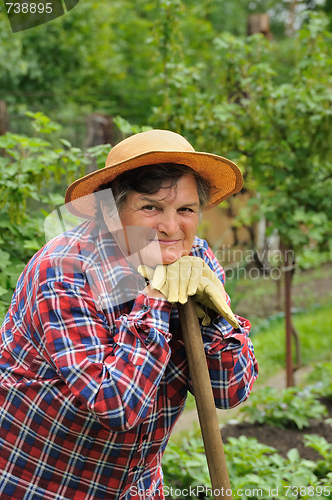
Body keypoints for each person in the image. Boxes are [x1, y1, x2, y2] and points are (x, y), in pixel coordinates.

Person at [0, 129, 258, 500]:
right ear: (111, 212)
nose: (172, 227)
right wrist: (155, 298)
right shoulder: (65, 270)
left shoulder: (192, 259)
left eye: (186, 210)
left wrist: (212, 320)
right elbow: (116, 406)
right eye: (151, 207)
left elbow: (230, 391)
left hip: (133, 486)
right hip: (41, 484)